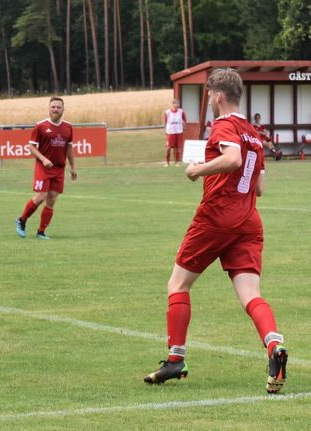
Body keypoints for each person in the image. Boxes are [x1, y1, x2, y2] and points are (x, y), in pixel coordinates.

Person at [143, 68, 288, 394]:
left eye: (209, 94)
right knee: (251, 295)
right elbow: (259, 187)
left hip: (217, 217)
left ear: (218, 95)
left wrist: (198, 170)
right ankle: (274, 346)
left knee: (178, 284)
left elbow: (233, 159)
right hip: (248, 222)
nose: (208, 99)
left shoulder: (224, 125)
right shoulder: (253, 134)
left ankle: (175, 359)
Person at [15, 96, 77, 240]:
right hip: (43, 167)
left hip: (59, 168)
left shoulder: (68, 127)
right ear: (49, 108)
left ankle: (41, 232)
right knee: (41, 196)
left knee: (52, 199)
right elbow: (31, 147)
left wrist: (73, 167)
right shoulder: (40, 126)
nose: (55, 109)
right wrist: (43, 159)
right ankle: (22, 220)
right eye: (53, 107)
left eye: (58, 107)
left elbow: (69, 148)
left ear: (63, 109)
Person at [164, 99, 187, 166]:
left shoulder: (181, 112)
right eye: (175, 104)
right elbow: (165, 122)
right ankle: (167, 162)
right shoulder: (167, 112)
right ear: (172, 104)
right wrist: (165, 130)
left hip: (179, 131)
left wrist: (184, 127)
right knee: (168, 147)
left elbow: (185, 120)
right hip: (170, 132)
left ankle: (177, 162)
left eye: (177, 104)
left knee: (178, 147)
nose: (176, 105)